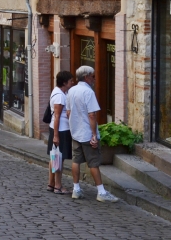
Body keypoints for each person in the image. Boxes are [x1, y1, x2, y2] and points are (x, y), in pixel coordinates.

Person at [66, 65, 119, 203]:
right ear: (86, 77)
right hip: (86, 133)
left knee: (76, 160)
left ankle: (76, 189)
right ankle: (101, 192)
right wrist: (94, 134)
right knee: (93, 163)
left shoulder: (71, 90)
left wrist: (73, 126)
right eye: (93, 76)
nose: (94, 79)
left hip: (76, 132)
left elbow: (68, 112)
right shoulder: (88, 92)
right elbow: (92, 115)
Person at [47, 71, 74, 195]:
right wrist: (56, 135)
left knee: (54, 157)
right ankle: (58, 186)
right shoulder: (60, 96)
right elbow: (57, 116)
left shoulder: (58, 92)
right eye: (70, 81)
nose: (72, 83)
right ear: (64, 82)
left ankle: (51, 183)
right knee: (58, 158)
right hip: (60, 130)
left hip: (57, 128)